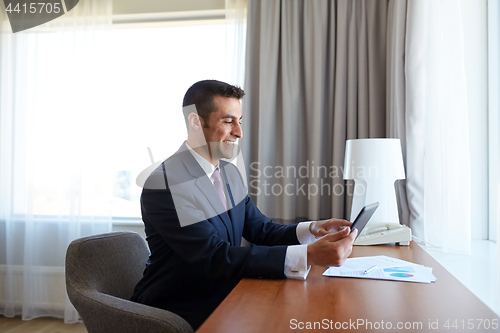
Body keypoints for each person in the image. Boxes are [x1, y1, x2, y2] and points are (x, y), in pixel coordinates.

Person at [130, 80, 358, 330]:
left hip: (227, 293)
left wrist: (312, 229)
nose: (239, 132)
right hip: (180, 308)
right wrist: (309, 255)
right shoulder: (165, 183)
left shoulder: (228, 173)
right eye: (228, 121)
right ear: (196, 122)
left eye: (240, 121)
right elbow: (214, 256)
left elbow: (261, 230)